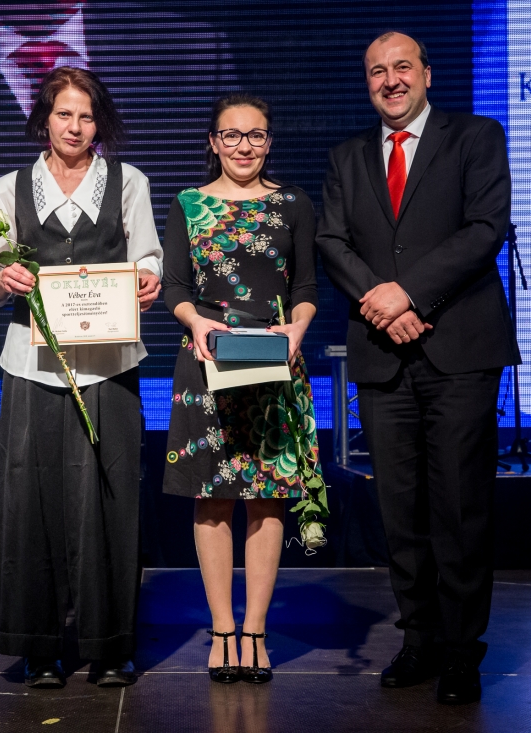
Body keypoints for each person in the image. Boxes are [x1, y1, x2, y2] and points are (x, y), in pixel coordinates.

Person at [316, 32, 518, 705]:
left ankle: (461, 652)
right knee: (399, 512)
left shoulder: (477, 137)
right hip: (383, 355)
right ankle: (420, 639)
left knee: (459, 509)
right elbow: (332, 241)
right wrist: (384, 305)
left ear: (427, 74)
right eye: (377, 71)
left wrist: (408, 293)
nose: (391, 80)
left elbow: (485, 228)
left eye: (402, 67)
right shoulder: (347, 156)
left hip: (460, 351)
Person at [0, 66, 162, 689]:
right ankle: (38, 646)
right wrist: (0, 279)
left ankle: (109, 644)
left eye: (87, 116)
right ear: (45, 118)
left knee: (109, 499)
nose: (75, 127)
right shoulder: (7, 188)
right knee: (30, 502)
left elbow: (147, 255)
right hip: (31, 364)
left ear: (99, 123)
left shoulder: (128, 181)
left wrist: (147, 276)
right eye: (64, 114)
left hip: (109, 363)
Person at [161, 93, 322, 685]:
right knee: (212, 497)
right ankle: (223, 631)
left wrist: (297, 329)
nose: (243, 146)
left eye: (255, 135)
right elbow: (176, 285)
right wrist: (197, 323)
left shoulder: (293, 203)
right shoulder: (189, 203)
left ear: (269, 141)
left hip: (274, 364)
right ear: (213, 142)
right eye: (231, 135)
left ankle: (255, 631)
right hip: (207, 362)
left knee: (267, 497)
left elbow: (306, 286)